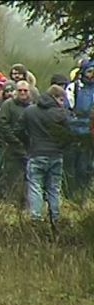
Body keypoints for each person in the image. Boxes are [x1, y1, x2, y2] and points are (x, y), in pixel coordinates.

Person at [20, 85, 71, 224]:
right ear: (54, 97)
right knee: (54, 187)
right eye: (61, 99)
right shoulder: (61, 114)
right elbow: (68, 136)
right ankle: (54, 217)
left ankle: (36, 217)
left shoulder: (30, 111)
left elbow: (19, 129)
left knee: (35, 185)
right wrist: (61, 148)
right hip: (56, 154)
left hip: (36, 152)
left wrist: (28, 144)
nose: (62, 102)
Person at [63, 60, 94, 204]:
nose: (92, 75)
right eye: (89, 71)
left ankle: (83, 197)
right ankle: (70, 197)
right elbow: (67, 110)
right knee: (71, 167)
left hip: (90, 134)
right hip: (74, 134)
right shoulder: (73, 88)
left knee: (86, 167)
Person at [0, 80, 32, 206]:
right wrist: (15, 141)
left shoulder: (32, 106)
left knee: (29, 180)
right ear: (16, 92)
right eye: (20, 90)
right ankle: (11, 205)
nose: (22, 93)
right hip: (12, 147)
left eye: (25, 90)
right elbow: (2, 125)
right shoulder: (8, 105)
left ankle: (27, 207)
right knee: (12, 178)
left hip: (30, 148)